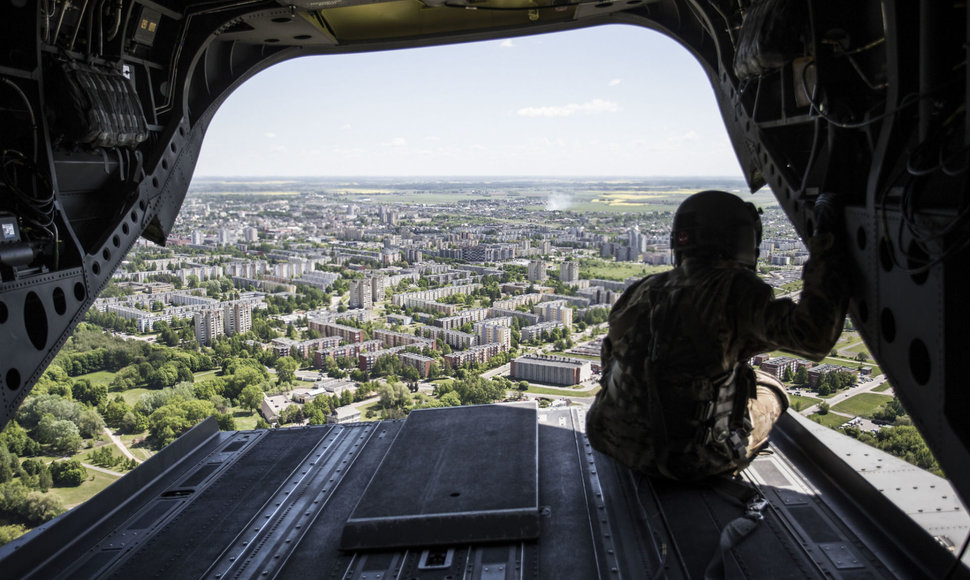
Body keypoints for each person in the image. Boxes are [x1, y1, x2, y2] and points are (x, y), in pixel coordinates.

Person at [586, 190, 849, 481]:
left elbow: (611, 359)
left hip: (609, 439)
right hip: (690, 462)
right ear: (741, 240)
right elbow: (813, 336)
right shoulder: (734, 289)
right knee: (769, 387)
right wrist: (827, 246)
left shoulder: (641, 289)